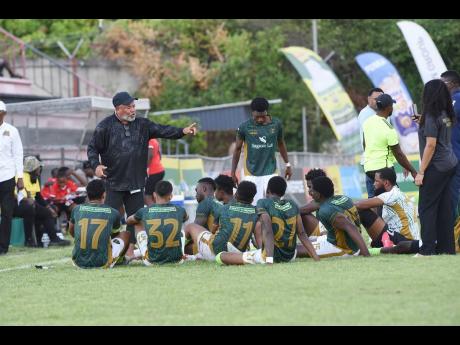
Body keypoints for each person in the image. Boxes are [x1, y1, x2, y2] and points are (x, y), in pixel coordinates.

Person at [87, 91, 197, 258]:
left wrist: (183, 130)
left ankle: (130, 253)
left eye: (134, 106)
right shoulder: (105, 126)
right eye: (129, 107)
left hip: (136, 182)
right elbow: (92, 149)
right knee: (108, 218)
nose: (133, 110)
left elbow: (163, 130)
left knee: (135, 219)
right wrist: (96, 166)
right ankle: (103, 251)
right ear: (118, 108)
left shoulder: (143, 124)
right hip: (114, 182)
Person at [217, 176, 319, 265]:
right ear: (283, 192)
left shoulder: (263, 203)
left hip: (270, 255)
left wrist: (269, 260)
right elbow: (301, 233)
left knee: (220, 256)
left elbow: (268, 230)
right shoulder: (292, 204)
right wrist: (316, 258)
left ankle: (252, 253)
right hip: (290, 256)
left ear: (267, 191)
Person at [415, 79, 458, 256]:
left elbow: (431, 145)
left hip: (437, 166)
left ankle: (427, 250)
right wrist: (423, 123)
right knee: (445, 208)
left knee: (426, 208)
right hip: (451, 163)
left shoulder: (432, 116)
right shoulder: (445, 114)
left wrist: (421, 171)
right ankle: (447, 249)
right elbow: (439, 135)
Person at [231, 97, 292, 204]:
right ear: (252, 113)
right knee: (254, 208)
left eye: (263, 117)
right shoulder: (244, 127)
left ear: (267, 112)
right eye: (257, 117)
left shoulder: (276, 124)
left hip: (271, 172)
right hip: (251, 174)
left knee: (275, 206)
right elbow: (237, 149)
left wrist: (288, 164)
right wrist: (232, 172)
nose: (260, 119)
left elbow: (281, 144)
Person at [184, 181, 258, 261]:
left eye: (196, 189)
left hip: (217, 250)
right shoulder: (256, 212)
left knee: (190, 227)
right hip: (239, 253)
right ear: (252, 200)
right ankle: (197, 256)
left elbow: (213, 230)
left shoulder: (222, 207)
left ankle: (176, 251)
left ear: (236, 194)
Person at [362, 94, 417, 198]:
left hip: (368, 169)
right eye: (392, 105)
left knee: (379, 201)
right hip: (383, 170)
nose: (392, 107)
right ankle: (360, 208)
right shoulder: (388, 128)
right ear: (388, 108)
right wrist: (413, 171)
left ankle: (373, 213)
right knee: (397, 199)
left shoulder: (367, 122)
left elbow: (365, 144)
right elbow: (398, 154)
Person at [68, 179, 130, 269]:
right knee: (125, 234)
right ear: (104, 194)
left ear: (88, 195)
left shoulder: (77, 209)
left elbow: (71, 230)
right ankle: (119, 261)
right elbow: (115, 235)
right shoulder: (113, 212)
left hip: (78, 262)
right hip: (102, 262)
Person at [304, 176, 370, 258]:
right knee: (304, 243)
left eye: (312, 189)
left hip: (341, 248)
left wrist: (366, 254)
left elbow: (351, 227)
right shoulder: (344, 198)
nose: (310, 192)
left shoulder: (326, 210)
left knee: (296, 250)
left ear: (319, 194)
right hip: (336, 240)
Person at [354, 167, 419, 247]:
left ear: (386, 183)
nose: (374, 184)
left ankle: (355, 245)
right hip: (404, 238)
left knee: (362, 211)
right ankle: (378, 244)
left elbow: (358, 205)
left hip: (405, 240)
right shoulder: (395, 193)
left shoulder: (392, 194)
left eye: (376, 181)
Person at [13, 156, 70, 247]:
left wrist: (49, 208)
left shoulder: (34, 178)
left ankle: (52, 239)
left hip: (32, 203)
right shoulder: (20, 176)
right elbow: (16, 195)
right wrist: (29, 200)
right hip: (18, 204)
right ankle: (29, 241)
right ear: (33, 168)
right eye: (38, 167)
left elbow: (38, 197)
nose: (40, 169)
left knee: (46, 212)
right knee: (32, 209)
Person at [126, 181, 188, 265]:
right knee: (181, 231)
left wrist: (142, 219)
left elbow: (128, 221)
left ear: (154, 195)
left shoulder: (144, 211)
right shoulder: (180, 210)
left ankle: (132, 252)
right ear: (171, 196)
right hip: (178, 260)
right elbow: (186, 218)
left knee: (137, 222)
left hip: (151, 261)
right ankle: (180, 253)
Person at [0, 100, 24, 255]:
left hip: (7, 176)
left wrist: (20, 176)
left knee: (6, 213)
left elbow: (18, 154)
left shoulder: (12, 131)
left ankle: (3, 247)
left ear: (4, 113)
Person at [440, 70, 460, 247]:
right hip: (451, 157)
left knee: (453, 197)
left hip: (455, 157)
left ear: (452, 84)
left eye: (443, 84)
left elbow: (448, 119)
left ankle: (451, 240)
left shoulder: (457, 99)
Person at [183, 177, 220, 255]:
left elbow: (195, 229)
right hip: (222, 244)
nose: (195, 194)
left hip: (213, 246)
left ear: (204, 189)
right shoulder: (219, 203)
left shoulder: (205, 202)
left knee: (190, 228)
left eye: (196, 190)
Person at [358, 88, 384, 197]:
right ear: (368, 99)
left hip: (382, 161)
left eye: (381, 98)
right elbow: (368, 140)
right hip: (373, 161)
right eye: (375, 98)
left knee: (385, 197)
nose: (378, 101)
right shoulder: (366, 114)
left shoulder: (383, 111)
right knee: (374, 197)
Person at [300, 168, 328, 237]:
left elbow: (300, 210)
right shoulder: (327, 195)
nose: (309, 191)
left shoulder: (321, 200)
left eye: (310, 187)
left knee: (303, 215)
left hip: (331, 239)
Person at [144, 138, 165, 206]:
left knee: (147, 196)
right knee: (154, 196)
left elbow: (150, 155)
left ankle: (154, 214)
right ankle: (159, 213)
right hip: (159, 170)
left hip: (154, 171)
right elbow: (160, 156)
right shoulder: (155, 140)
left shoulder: (150, 140)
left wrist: (146, 168)